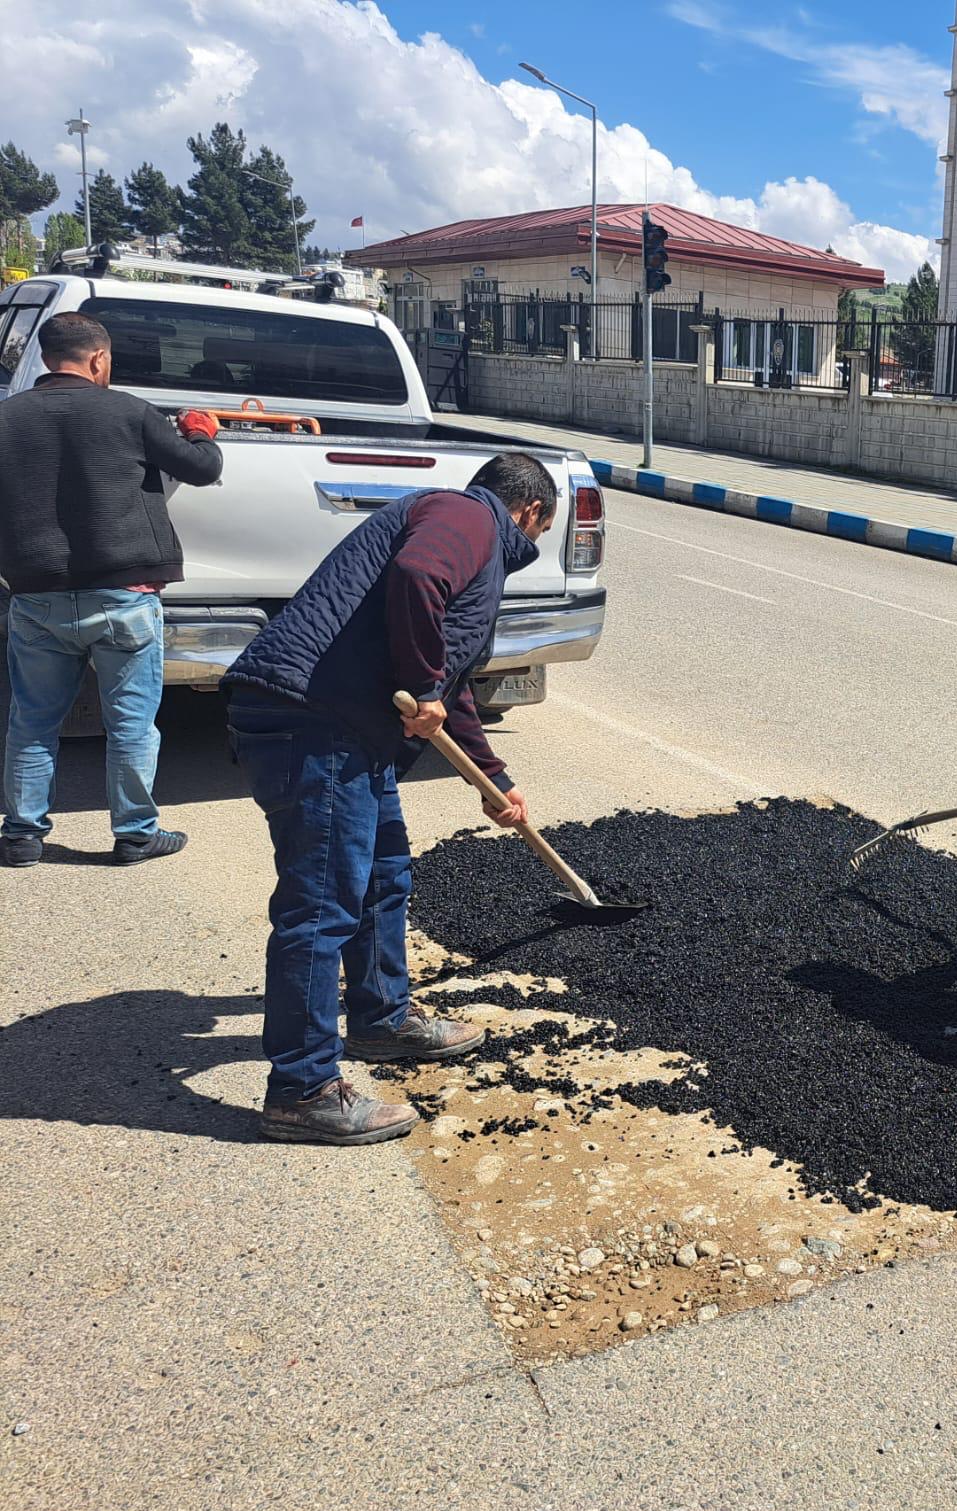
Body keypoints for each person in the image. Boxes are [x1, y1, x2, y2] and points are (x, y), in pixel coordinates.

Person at [222, 453, 556, 1145]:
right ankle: (302, 1089)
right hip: (312, 721)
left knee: (383, 876)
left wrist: (491, 779)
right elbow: (417, 580)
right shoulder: (468, 516)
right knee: (321, 907)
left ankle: (380, 1019)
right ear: (530, 511)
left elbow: (451, 683)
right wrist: (424, 686)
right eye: (540, 533)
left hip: (352, 732)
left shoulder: (470, 536)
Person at [0, 311, 223, 867]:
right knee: (129, 723)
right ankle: (135, 834)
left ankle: (22, 836)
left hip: (35, 594)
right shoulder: (129, 411)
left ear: (47, 356)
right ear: (98, 358)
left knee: (31, 721)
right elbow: (200, 469)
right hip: (124, 594)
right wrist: (200, 429)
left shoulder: (6, 417)